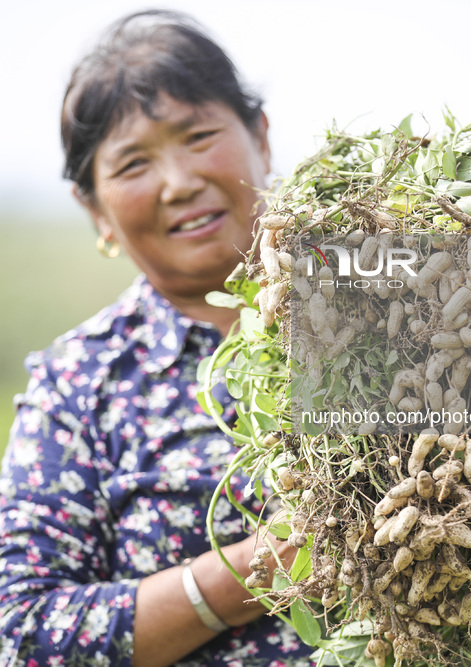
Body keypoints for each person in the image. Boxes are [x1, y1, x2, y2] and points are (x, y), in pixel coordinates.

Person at [0, 10, 312, 667]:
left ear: (261, 136)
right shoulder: (81, 385)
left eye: (198, 136)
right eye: (135, 163)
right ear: (96, 209)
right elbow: (19, 629)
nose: (178, 182)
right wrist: (245, 575)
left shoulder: (399, 307)